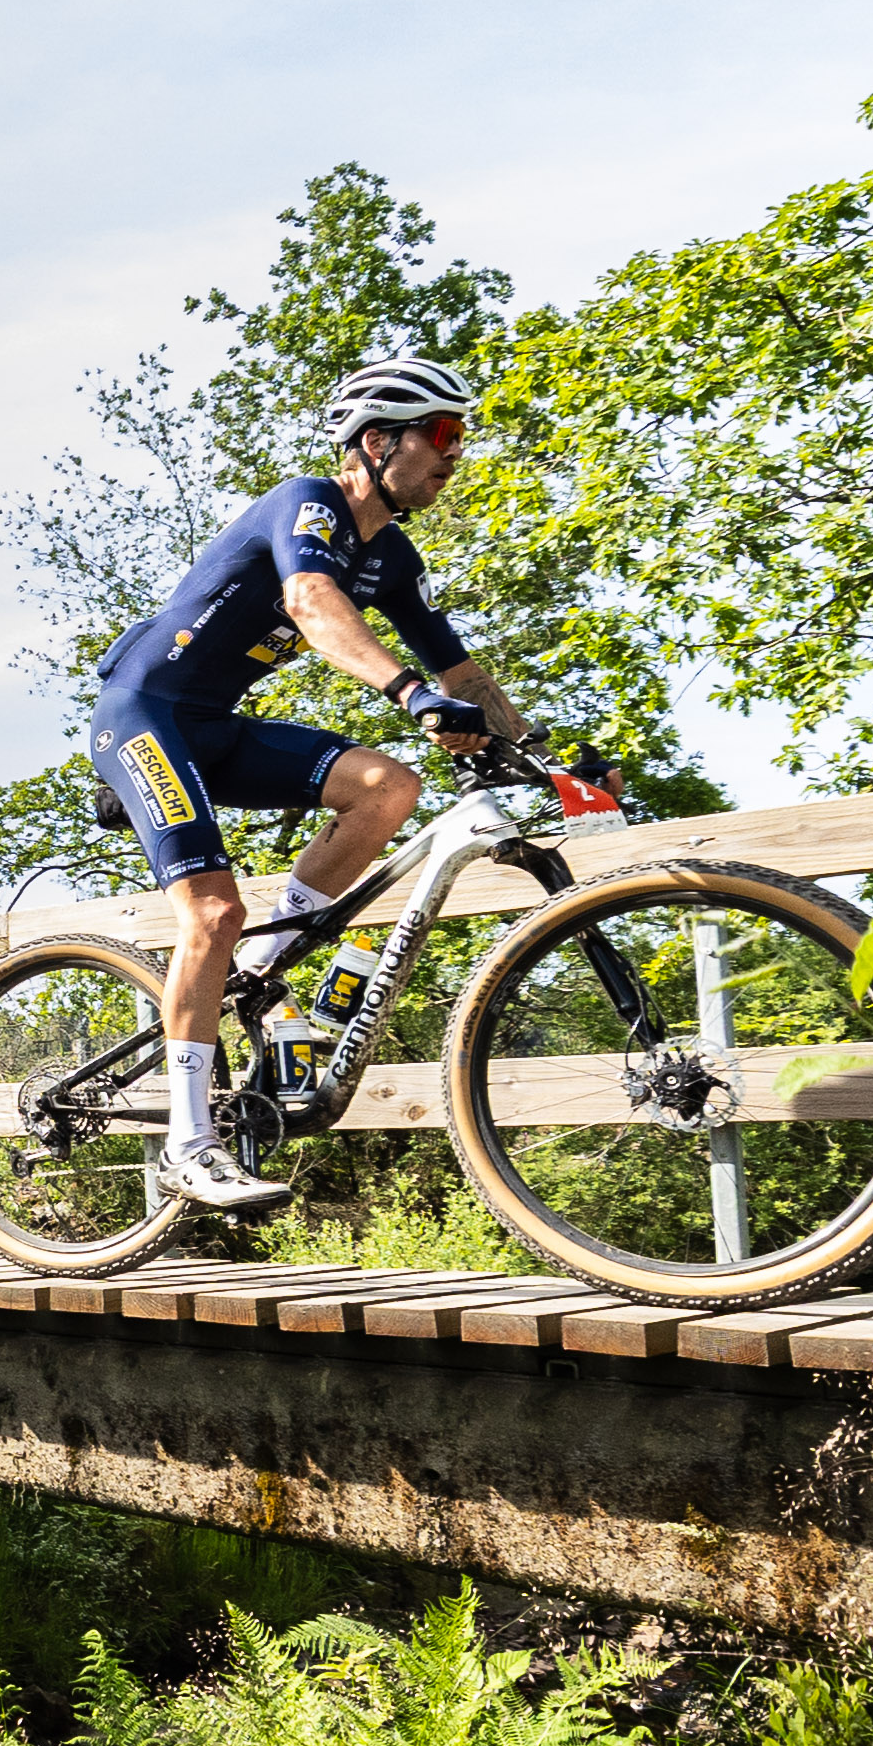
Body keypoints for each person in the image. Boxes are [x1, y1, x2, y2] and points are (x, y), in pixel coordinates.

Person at [83, 353, 533, 1211]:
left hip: (215, 729)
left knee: (389, 789)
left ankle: (264, 962)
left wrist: (543, 751)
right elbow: (312, 602)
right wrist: (410, 694)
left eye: (458, 437)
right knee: (212, 910)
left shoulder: (391, 555)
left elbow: (462, 672)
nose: (454, 453)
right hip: (143, 715)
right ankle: (187, 1143)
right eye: (440, 434)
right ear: (376, 441)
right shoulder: (307, 503)